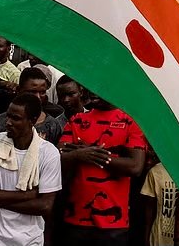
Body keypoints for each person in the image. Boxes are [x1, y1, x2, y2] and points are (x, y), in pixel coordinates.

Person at [59, 87, 146, 244]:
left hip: (113, 222)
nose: (93, 91)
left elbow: (135, 166)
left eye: (100, 86)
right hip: (75, 218)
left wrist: (91, 155)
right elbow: (59, 158)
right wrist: (79, 155)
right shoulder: (77, 120)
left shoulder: (130, 122)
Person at [0, 94, 63, 246]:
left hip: (29, 240)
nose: (8, 123)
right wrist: (28, 195)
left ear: (33, 120)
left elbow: (45, 206)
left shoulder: (48, 152)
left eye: (16, 118)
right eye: (8, 116)